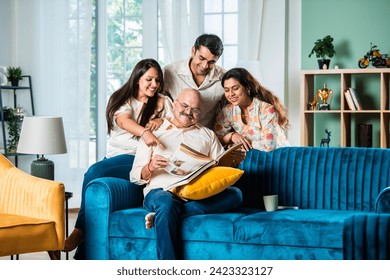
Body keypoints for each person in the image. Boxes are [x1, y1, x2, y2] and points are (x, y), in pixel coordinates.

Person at [63, 58, 172, 258]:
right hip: (118, 158)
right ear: (137, 78)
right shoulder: (123, 100)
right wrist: (145, 133)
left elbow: (175, 123)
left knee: (94, 171)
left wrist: (160, 119)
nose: (154, 84)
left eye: (157, 80)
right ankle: (81, 250)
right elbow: (123, 121)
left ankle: (79, 231)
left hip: (139, 158)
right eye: (149, 79)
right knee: (96, 174)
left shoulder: (162, 101)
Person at [130, 88, 243, 260]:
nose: (188, 112)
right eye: (184, 105)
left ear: (200, 112)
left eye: (195, 109)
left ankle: (164, 216)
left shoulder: (208, 136)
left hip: (195, 194)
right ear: (174, 104)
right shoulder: (154, 132)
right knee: (166, 202)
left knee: (235, 195)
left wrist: (233, 161)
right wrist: (150, 167)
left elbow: (219, 166)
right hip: (161, 192)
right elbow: (135, 176)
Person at [214, 67, 289, 152]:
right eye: (227, 90)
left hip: (279, 157)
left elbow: (269, 146)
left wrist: (239, 145)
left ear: (247, 88)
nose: (231, 94)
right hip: (253, 159)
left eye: (235, 88)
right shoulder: (228, 111)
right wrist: (231, 136)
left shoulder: (267, 110)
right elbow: (214, 140)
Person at [163, 34, 226, 129]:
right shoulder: (169, 72)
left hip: (205, 137)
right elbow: (157, 101)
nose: (205, 65)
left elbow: (228, 112)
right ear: (193, 51)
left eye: (211, 62)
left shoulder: (224, 79)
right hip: (173, 133)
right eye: (202, 58)